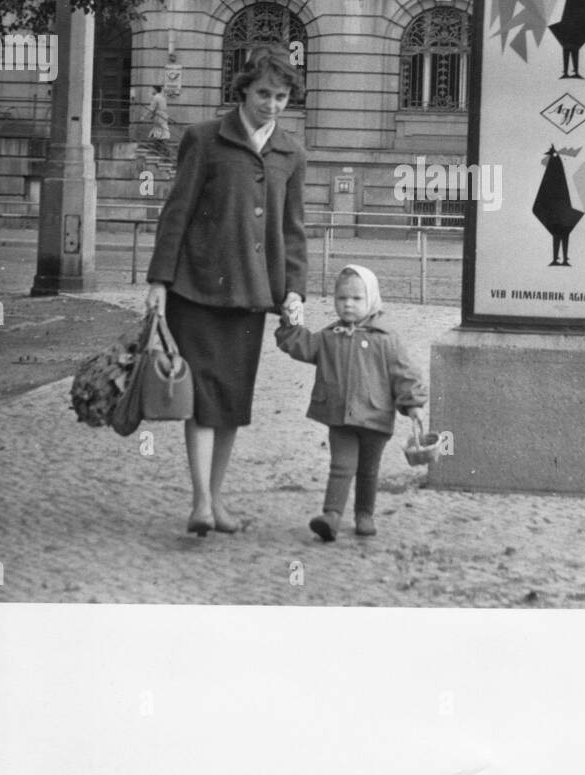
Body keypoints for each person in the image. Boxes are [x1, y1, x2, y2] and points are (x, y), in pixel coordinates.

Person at [145, 46, 307, 536]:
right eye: (263, 93)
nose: (271, 105)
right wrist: (158, 280)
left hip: (252, 295)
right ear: (242, 90)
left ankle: (217, 499)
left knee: (232, 401)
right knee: (198, 396)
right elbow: (177, 211)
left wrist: (294, 290)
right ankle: (199, 501)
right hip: (195, 289)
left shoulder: (292, 152)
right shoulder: (203, 138)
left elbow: (293, 229)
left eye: (280, 96)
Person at [275, 264, 427, 542]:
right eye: (342, 298)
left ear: (371, 299)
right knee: (341, 466)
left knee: (368, 470)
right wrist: (289, 322)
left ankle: (364, 514)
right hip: (339, 417)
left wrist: (413, 403)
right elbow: (301, 344)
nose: (348, 305)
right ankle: (332, 516)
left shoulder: (386, 339)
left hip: (376, 418)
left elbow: (404, 373)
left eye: (356, 299)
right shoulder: (329, 337)